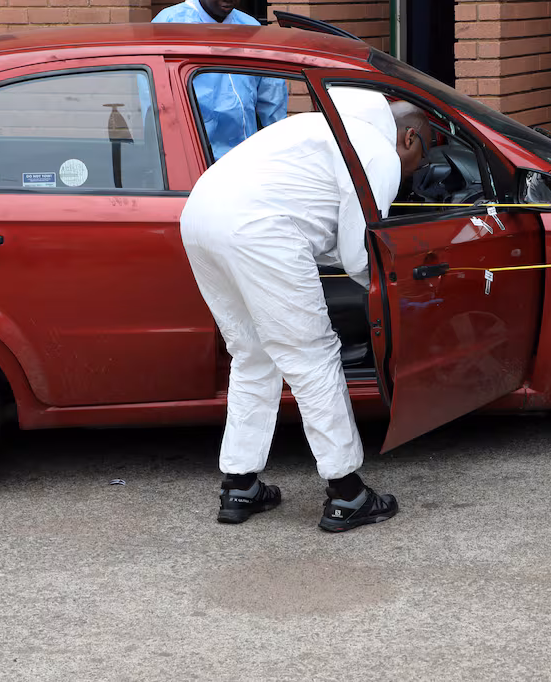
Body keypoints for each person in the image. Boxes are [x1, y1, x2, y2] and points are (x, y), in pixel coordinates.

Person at [180, 86, 430, 532]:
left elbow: (316, 220)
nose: (417, 169)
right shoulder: (379, 153)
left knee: (252, 354)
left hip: (199, 216)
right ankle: (348, 494)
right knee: (312, 355)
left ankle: (240, 485)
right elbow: (357, 255)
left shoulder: (317, 126)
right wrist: (401, 288)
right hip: (258, 229)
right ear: (410, 137)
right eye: (422, 156)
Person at [153, 0, 286, 160]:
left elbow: (271, 93)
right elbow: (152, 95)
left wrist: (279, 146)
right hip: (191, 156)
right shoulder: (169, 25)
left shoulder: (250, 29)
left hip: (244, 155)